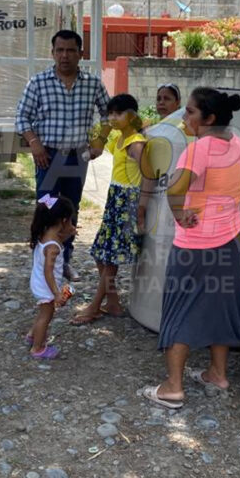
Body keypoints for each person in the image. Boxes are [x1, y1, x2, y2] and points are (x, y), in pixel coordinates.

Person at [138, 87, 240, 409]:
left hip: (195, 245)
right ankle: (218, 373)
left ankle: (173, 387)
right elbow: (238, 189)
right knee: (219, 307)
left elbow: (175, 187)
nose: (184, 117)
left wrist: (179, 213)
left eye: (190, 112)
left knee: (178, 312)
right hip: (228, 240)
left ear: (209, 118)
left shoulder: (199, 149)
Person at [15, 29, 111, 281]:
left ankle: (64, 261)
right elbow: (22, 116)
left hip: (77, 158)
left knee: (71, 209)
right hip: (47, 157)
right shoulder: (38, 82)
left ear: (81, 53)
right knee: (46, 206)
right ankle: (42, 261)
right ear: (52, 52)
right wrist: (34, 143)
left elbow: (109, 113)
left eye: (70, 50)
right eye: (60, 50)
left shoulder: (92, 84)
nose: (64, 56)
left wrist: (100, 141)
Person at [72, 94, 147, 325]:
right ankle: (112, 302)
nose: (113, 118)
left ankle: (94, 307)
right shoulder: (120, 137)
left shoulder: (136, 142)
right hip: (115, 199)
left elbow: (149, 174)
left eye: (119, 113)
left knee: (111, 259)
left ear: (131, 116)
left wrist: (141, 207)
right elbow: (99, 148)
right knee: (99, 253)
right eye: (111, 113)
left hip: (127, 202)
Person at [26, 194, 77, 359]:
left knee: (43, 313)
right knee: (46, 316)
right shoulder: (53, 246)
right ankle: (38, 348)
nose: (72, 224)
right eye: (70, 220)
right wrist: (56, 293)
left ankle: (33, 335)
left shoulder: (45, 233)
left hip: (39, 282)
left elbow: (59, 240)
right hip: (45, 285)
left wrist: (69, 233)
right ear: (63, 221)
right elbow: (49, 271)